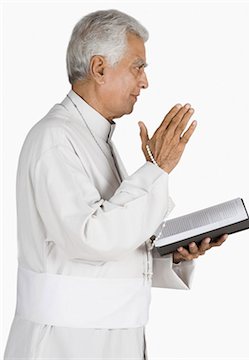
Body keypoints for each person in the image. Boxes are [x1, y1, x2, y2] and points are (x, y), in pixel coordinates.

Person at [4, 9, 226, 359]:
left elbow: (113, 244)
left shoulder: (94, 138)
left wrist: (173, 255)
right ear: (99, 68)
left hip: (107, 338)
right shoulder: (55, 138)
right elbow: (91, 238)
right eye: (138, 67)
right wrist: (156, 169)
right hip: (67, 344)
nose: (145, 82)